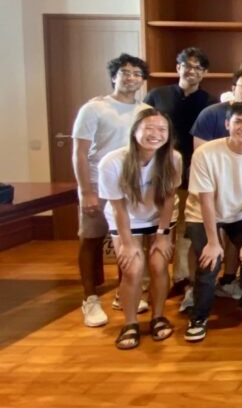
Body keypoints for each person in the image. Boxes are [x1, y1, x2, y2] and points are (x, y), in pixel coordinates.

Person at [184, 101, 242, 343]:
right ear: (227, 124)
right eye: (238, 122)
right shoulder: (205, 153)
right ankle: (199, 316)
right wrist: (214, 242)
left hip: (239, 213)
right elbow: (205, 200)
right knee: (209, 263)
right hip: (202, 214)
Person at [72, 53, 152, 327]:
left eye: (137, 74)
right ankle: (90, 298)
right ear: (114, 76)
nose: (131, 78)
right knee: (91, 238)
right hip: (97, 184)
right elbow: (80, 153)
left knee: (127, 240)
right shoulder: (94, 108)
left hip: (130, 185)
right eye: (125, 72)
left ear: (143, 80)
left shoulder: (143, 111)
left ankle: (123, 292)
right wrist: (86, 192)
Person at [97, 109, 181, 349]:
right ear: (135, 131)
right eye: (149, 128)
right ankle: (130, 322)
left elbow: (168, 199)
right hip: (126, 220)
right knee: (133, 268)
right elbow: (118, 207)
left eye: (162, 129)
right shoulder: (112, 162)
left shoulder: (173, 158)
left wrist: (163, 236)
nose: (155, 134)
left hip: (159, 218)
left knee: (158, 264)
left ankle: (158, 316)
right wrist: (126, 242)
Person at [190, 67, 242, 303]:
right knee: (206, 256)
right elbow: (201, 158)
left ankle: (230, 283)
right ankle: (195, 297)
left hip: (238, 205)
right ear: (233, 88)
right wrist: (213, 240)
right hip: (205, 200)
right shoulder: (211, 114)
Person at [142, 47, 212, 299]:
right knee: (153, 224)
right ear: (178, 67)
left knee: (183, 226)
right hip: (155, 171)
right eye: (187, 65)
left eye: (197, 68)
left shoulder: (209, 102)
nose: (191, 71)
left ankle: (181, 276)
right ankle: (150, 279)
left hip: (191, 172)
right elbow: (141, 130)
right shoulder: (156, 96)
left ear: (204, 73)